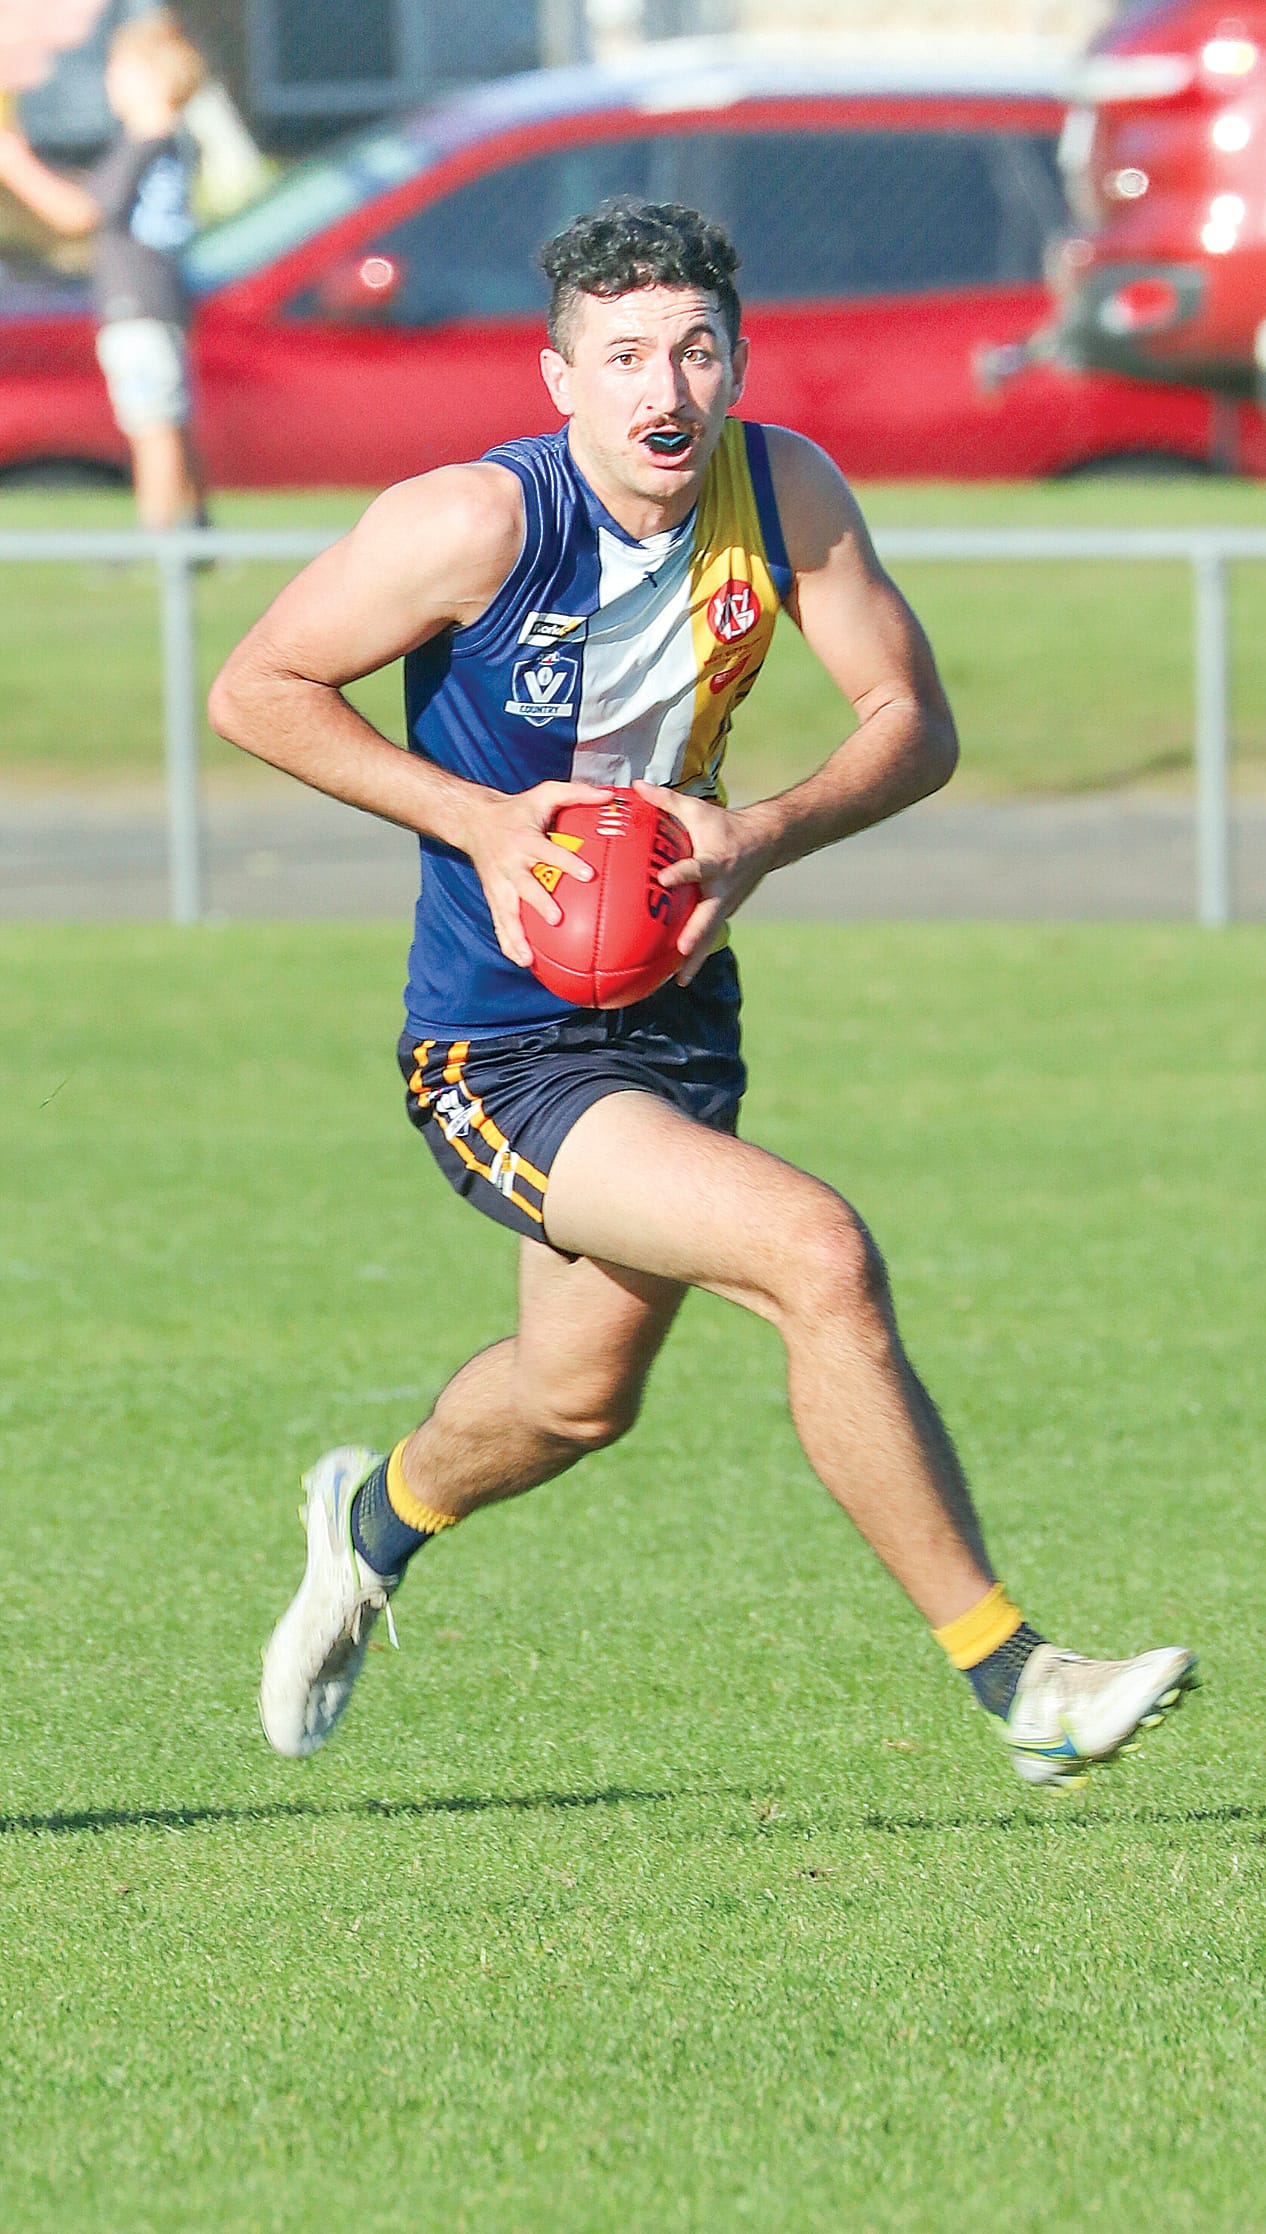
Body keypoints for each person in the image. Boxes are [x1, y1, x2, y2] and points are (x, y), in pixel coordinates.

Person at [208, 200, 1198, 1789]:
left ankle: (368, 1516)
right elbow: (252, 685)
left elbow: (910, 718)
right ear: (560, 379)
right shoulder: (474, 522)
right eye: (622, 357)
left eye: (693, 349)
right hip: (503, 1041)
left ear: (735, 360)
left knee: (573, 1399)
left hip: (675, 1012)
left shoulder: (782, 487)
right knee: (818, 1254)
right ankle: (1022, 1681)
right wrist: (480, 818)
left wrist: (763, 832)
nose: (662, 388)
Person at [0, 10, 207, 530]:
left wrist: (15, 163)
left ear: (151, 78)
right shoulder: (170, 142)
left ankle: (158, 535)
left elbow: (80, 214)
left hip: (135, 302)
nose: (110, 83)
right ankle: (198, 527)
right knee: (169, 417)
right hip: (159, 299)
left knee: (151, 424)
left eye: (120, 71)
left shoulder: (145, 141)